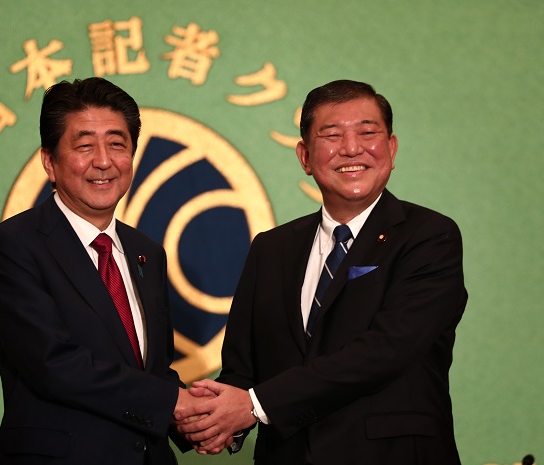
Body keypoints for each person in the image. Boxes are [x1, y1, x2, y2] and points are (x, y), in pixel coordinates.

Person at [176, 79, 468, 464]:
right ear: (305, 156)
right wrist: (215, 419)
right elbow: (243, 370)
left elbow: (385, 351)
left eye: (368, 133)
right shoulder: (271, 248)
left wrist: (255, 404)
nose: (351, 148)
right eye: (332, 135)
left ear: (392, 149)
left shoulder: (429, 236)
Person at [0, 77, 200, 465]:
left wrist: (203, 420)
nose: (103, 160)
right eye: (84, 146)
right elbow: (54, 364)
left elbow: (153, 372)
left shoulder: (146, 252)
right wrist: (173, 402)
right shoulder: (13, 245)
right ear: (50, 161)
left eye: (117, 144)